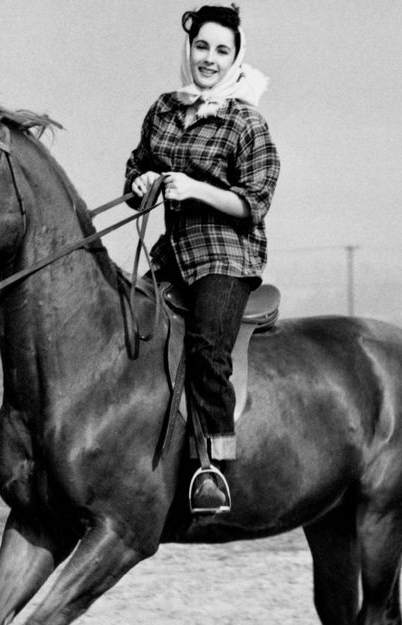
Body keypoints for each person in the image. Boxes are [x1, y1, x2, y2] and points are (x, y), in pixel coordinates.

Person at [124, 4, 280, 514]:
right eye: (202, 47)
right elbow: (136, 169)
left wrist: (195, 188)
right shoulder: (164, 109)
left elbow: (253, 203)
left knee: (206, 351)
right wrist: (142, 185)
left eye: (221, 50)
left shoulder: (246, 123)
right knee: (130, 331)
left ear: (236, 58)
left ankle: (213, 468)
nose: (208, 59)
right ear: (188, 48)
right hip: (173, 254)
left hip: (226, 256)